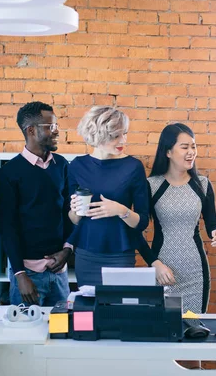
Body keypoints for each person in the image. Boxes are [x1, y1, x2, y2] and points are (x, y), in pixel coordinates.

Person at [68, 106, 168, 286]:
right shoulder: (76, 166)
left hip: (120, 255)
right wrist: (75, 211)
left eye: (125, 133)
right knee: (87, 311)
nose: (123, 140)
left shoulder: (133, 167)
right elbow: (74, 220)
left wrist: (120, 210)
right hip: (86, 254)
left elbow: (142, 221)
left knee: (118, 311)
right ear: (98, 135)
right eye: (116, 135)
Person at [0, 102, 72, 306]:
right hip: (28, 275)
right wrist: (19, 275)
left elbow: (69, 213)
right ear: (31, 130)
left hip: (59, 273)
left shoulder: (62, 165)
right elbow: (7, 227)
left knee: (62, 334)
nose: (56, 132)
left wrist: (67, 250)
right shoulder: (9, 173)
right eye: (50, 127)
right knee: (25, 335)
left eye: (56, 126)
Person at [147, 123, 216, 313]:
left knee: (194, 328)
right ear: (168, 152)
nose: (191, 152)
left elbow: (212, 224)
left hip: (196, 274)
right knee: (167, 327)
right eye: (185, 147)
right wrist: (154, 263)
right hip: (164, 272)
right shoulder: (152, 185)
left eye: (193, 146)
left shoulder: (203, 185)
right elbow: (137, 230)